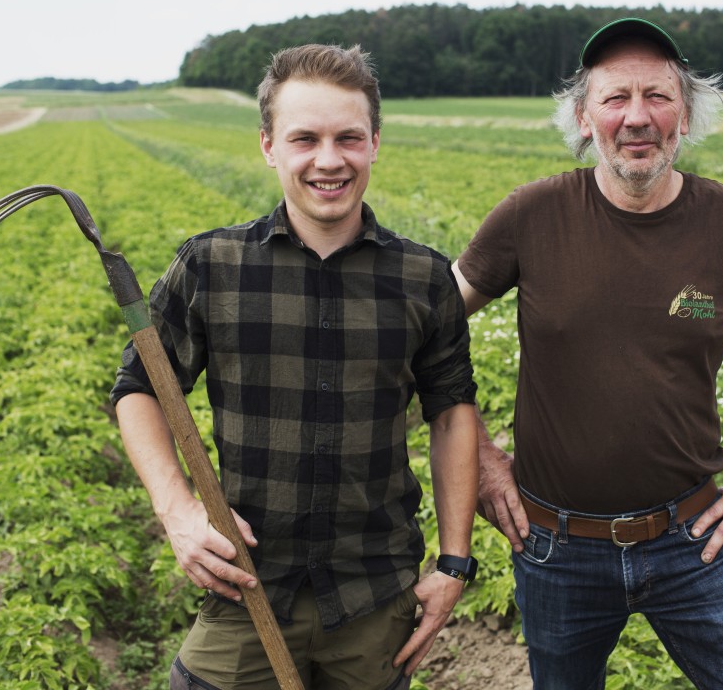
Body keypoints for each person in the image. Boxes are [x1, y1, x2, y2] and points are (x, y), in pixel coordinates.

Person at [453, 18, 723, 690]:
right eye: (616, 98)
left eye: (658, 96)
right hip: (556, 546)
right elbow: (427, 329)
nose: (637, 117)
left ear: (686, 114)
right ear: (585, 117)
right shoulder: (531, 215)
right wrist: (482, 461)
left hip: (695, 541)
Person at [112, 43, 480, 690]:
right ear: (268, 145)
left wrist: (454, 562)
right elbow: (139, 387)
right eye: (304, 138)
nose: (329, 159)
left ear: (374, 143)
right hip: (248, 587)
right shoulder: (211, 266)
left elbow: (452, 413)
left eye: (349, 137)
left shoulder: (422, 277)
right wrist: (176, 508)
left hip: (372, 593)